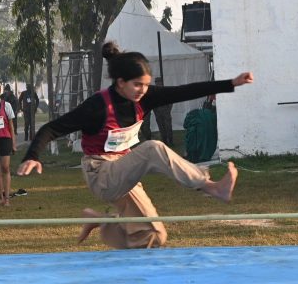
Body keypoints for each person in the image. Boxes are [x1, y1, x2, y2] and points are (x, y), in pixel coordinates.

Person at [17, 41, 252, 249]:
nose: (143, 90)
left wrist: (230, 83)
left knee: (154, 236)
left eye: (147, 85)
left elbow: (185, 91)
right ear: (120, 83)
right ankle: (210, 187)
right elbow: (51, 128)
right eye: (137, 84)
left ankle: (102, 221)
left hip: (125, 171)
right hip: (101, 174)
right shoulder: (97, 106)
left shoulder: (145, 97)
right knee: (152, 148)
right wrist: (33, 155)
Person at [152, 76, 174, 147]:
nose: (158, 84)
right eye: (156, 82)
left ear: (162, 83)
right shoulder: (154, 93)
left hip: (166, 113)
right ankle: (164, 141)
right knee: (161, 128)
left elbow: (171, 101)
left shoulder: (165, 91)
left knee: (168, 128)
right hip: (158, 114)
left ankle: (170, 141)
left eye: (159, 82)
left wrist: (168, 110)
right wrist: (155, 112)